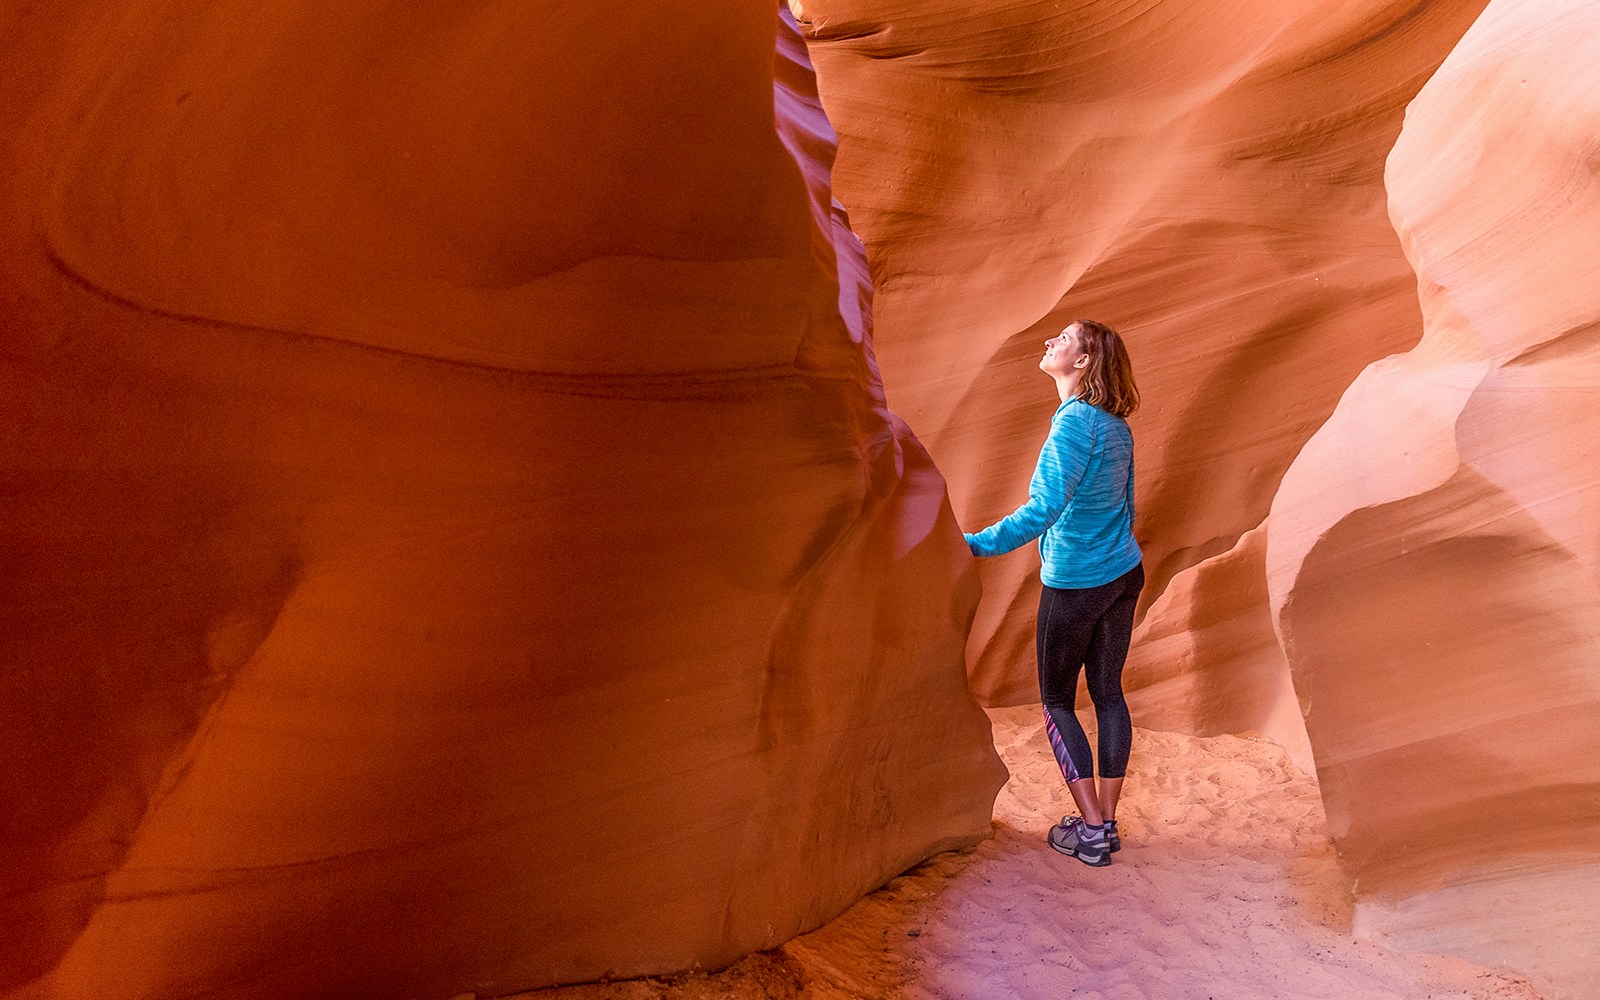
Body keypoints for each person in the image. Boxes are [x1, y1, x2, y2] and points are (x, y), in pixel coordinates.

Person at [963, 319, 1143, 868]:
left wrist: (968, 546)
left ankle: (1088, 832)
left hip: (1076, 583)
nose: (1050, 343)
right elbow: (1127, 505)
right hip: (1123, 573)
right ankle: (1107, 823)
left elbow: (1042, 511)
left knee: (1058, 702)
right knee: (1109, 694)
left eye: (1063, 339)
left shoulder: (1072, 427)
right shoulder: (1115, 426)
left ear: (1084, 361)